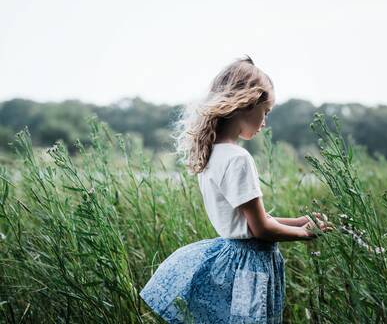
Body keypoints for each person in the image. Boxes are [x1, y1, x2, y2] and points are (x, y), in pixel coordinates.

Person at [139, 55, 330, 323]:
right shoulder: (238, 159)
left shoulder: (211, 156)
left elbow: (248, 224)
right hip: (250, 268)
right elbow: (260, 230)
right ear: (247, 104)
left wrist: (298, 221)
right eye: (266, 112)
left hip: (233, 260)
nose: (265, 122)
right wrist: (303, 233)